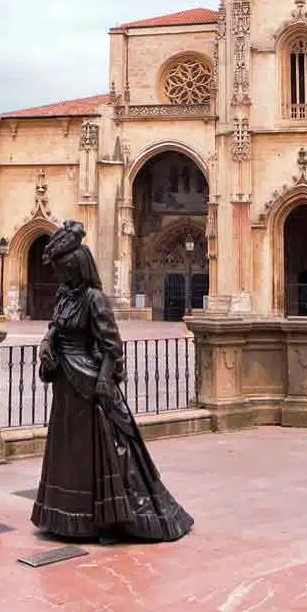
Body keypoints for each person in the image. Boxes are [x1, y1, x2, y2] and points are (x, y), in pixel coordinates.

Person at [31, 220, 193, 544]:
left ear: (77, 267)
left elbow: (112, 346)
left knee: (101, 451)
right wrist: (48, 341)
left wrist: (104, 382)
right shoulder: (66, 297)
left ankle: (105, 517)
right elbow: (57, 327)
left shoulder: (94, 299)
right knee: (71, 453)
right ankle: (67, 516)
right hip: (67, 386)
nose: (60, 275)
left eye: (64, 269)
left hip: (89, 385)